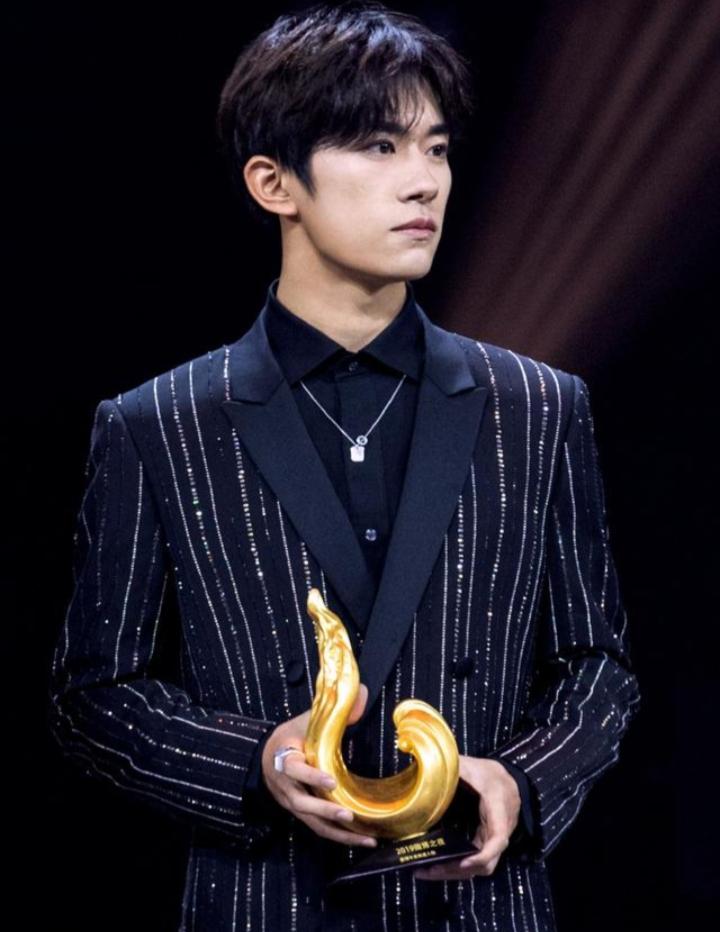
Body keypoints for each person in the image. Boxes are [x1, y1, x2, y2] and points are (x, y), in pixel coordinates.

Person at [47, 2, 641, 929]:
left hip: (476, 906)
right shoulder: (157, 423)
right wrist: (257, 762)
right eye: (379, 147)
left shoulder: (537, 406)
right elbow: (93, 695)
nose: (424, 181)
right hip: (266, 904)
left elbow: (599, 664)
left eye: (436, 148)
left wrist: (521, 781)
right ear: (274, 183)